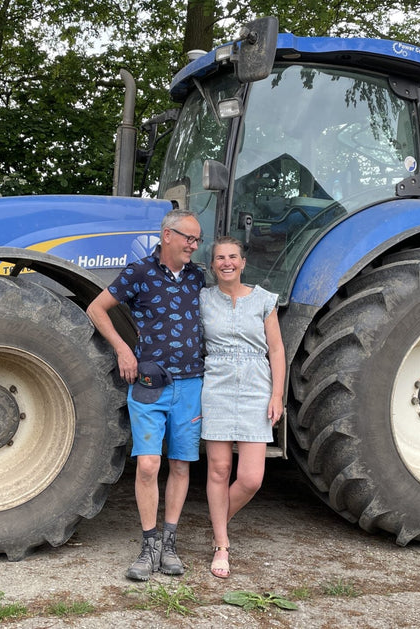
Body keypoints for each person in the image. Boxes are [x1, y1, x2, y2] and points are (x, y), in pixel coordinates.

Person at [86, 208, 205, 581]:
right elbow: (96, 308)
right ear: (167, 235)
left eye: (197, 240)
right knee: (150, 465)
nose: (194, 245)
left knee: (181, 464)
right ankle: (149, 544)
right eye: (189, 238)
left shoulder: (198, 277)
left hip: (190, 384)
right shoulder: (139, 272)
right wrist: (123, 350)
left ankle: (169, 544)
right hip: (150, 384)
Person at [200, 236, 285, 578]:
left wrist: (276, 395)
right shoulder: (203, 299)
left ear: (243, 262)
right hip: (217, 385)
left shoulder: (263, 300)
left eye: (232, 256)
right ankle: (222, 544)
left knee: (250, 478)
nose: (226, 262)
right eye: (220, 257)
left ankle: (217, 519)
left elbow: (276, 350)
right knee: (219, 469)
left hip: (255, 388)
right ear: (212, 265)